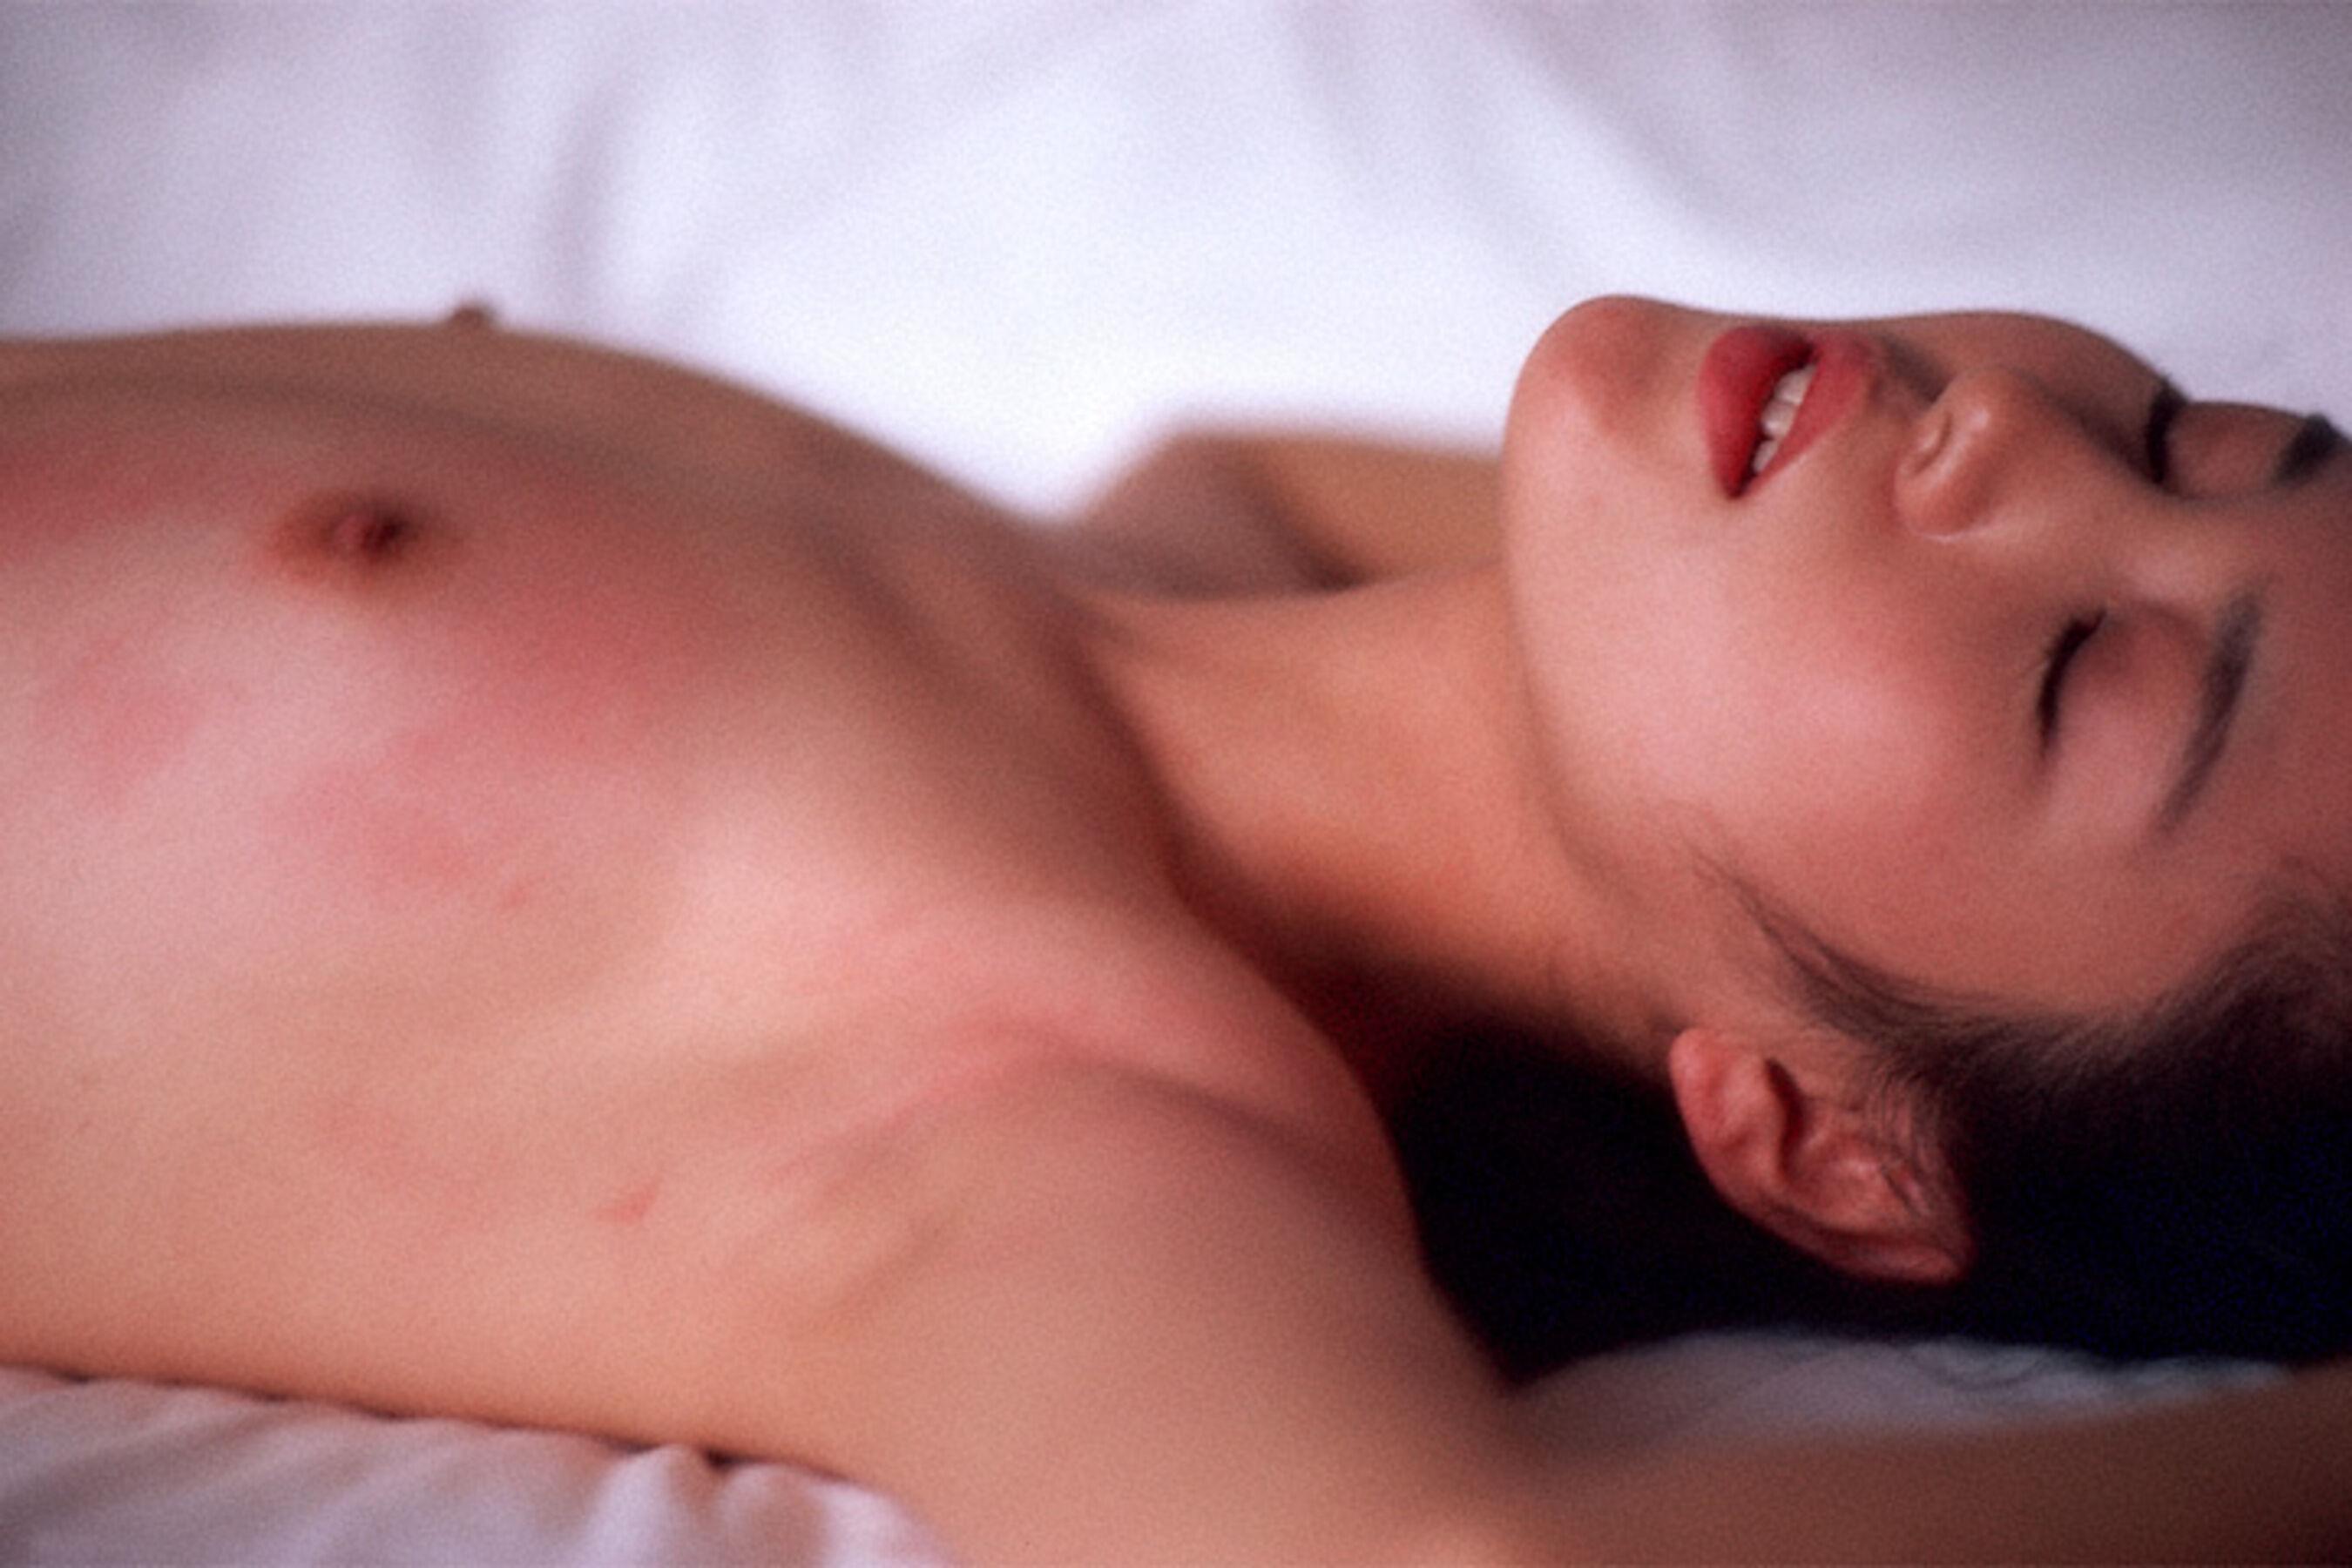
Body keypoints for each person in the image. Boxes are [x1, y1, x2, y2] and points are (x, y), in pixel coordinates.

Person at [1, 298, 2348, 1561]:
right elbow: (1270, 479)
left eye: (2087, 673)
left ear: (1835, 1143)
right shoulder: (1171, 576)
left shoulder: (1061, 1099)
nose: (2013, 437)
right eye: (2189, 433)